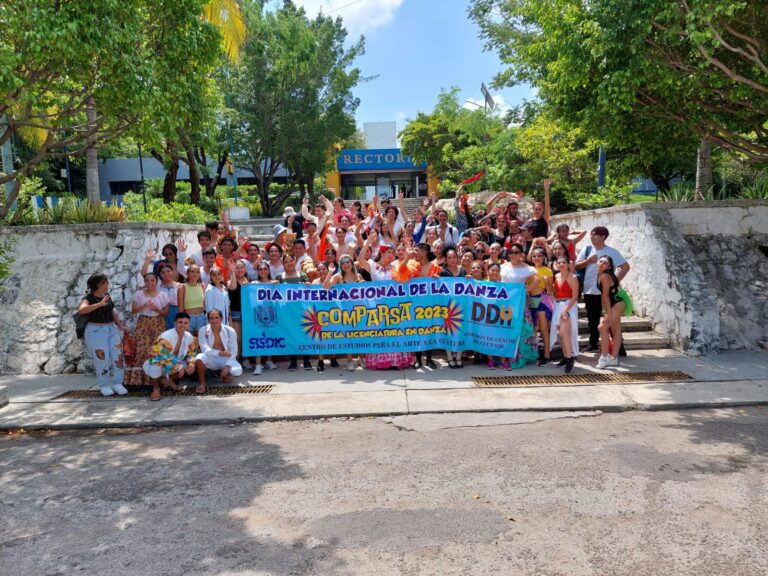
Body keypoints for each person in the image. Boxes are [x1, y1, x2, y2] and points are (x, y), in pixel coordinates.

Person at [575, 226, 630, 354]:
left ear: (603, 237)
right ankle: (593, 343)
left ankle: (619, 347)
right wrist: (588, 261)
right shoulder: (587, 249)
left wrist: (613, 283)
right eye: (591, 234)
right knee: (592, 319)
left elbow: (625, 267)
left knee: (611, 319)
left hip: (607, 292)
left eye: (595, 234)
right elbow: (576, 266)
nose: (591, 236)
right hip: (589, 290)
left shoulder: (612, 252)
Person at [77, 274, 128, 397]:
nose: (107, 284)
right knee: (102, 359)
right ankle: (104, 385)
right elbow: (82, 310)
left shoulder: (107, 296)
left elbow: (111, 311)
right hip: (95, 330)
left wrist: (120, 326)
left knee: (118, 356)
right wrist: (99, 304)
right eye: (105, 282)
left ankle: (118, 383)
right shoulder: (88, 298)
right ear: (98, 285)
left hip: (110, 328)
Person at [125, 271, 169, 387]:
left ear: (156, 282)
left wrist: (155, 309)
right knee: (141, 348)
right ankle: (139, 380)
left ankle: (157, 380)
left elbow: (165, 312)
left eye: (152, 280)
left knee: (157, 349)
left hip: (157, 323)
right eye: (147, 280)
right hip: (143, 323)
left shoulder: (162, 295)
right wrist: (144, 306)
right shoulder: (139, 294)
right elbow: (133, 311)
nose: (149, 283)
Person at [143, 312, 199, 401]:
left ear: (188, 325)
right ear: (175, 323)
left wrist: (191, 363)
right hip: (158, 363)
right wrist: (179, 365)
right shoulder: (166, 336)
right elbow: (159, 354)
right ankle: (156, 388)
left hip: (174, 364)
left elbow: (192, 352)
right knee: (156, 365)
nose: (183, 325)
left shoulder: (188, 336)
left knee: (189, 366)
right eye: (180, 322)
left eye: (186, 323)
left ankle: (167, 380)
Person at [323, 254, 364, 371]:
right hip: (345, 312)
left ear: (352, 263)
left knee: (362, 335)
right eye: (343, 263)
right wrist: (330, 272)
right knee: (349, 337)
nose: (345, 265)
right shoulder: (338, 277)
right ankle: (350, 360)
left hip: (360, 310)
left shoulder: (359, 276)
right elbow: (325, 287)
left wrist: (363, 286)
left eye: (347, 262)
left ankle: (361, 358)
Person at [596, 256, 633, 369]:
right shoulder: (601, 275)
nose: (601, 263)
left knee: (602, 327)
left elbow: (606, 295)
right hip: (613, 303)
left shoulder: (604, 276)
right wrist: (604, 309)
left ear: (609, 266)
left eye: (605, 263)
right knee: (616, 330)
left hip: (617, 303)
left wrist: (608, 313)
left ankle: (605, 356)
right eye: (600, 261)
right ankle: (613, 358)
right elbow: (603, 294)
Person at [277, 253, 313, 371]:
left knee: (304, 334)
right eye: (286, 262)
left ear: (295, 261)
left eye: (291, 261)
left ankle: (306, 360)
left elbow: (310, 292)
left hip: (302, 310)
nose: (289, 264)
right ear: (283, 264)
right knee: (291, 334)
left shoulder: (302, 275)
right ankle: (293, 361)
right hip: (287, 311)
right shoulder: (280, 277)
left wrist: (309, 285)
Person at [195, 309, 243, 392]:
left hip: (226, 359)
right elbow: (204, 349)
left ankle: (224, 375)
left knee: (237, 371)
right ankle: (202, 383)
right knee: (199, 357)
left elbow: (234, 350)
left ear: (222, 318)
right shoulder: (203, 330)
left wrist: (228, 365)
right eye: (211, 318)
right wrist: (219, 353)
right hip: (211, 358)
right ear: (208, 319)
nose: (214, 320)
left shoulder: (230, 330)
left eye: (216, 317)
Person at [550, 256, 579, 373]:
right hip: (558, 305)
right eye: (559, 263)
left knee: (563, 333)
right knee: (560, 334)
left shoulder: (573, 277)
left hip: (569, 306)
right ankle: (565, 356)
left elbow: (575, 297)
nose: (561, 264)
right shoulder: (556, 276)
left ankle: (569, 358)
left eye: (564, 262)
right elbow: (555, 294)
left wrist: (565, 310)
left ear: (568, 264)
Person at [250, 262, 278, 375]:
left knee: (270, 337)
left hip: (271, 314)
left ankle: (268, 360)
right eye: (260, 269)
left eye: (265, 269)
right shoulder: (254, 283)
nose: (263, 271)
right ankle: (258, 364)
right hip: (258, 315)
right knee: (258, 339)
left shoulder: (274, 283)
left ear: (269, 270)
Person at [529, 248, 554, 366]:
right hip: (530, 302)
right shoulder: (528, 270)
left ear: (543, 257)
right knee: (533, 330)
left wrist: (547, 282)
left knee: (543, 329)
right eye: (534, 256)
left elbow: (550, 291)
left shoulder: (548, 271)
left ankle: (547, 355)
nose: (536, 258)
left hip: (541, 301)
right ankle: (533, 354)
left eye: (539, 256)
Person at [177, 264, 207, 334]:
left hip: (201, 318)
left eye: (197, 272)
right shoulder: (182, 287)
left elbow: (205, 303)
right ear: (188, 273)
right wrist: (183, 321)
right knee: (189, 342)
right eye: (192, 271)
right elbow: (180, 307)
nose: (195, 274)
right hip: (188, 318)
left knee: (200, 342)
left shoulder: (202, 286)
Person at [157, 262, 181, 330]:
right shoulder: (157, 287)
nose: (166, 274)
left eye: (168, 271)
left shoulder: (179, 286)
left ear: (172, 272)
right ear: (160, 274)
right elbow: (144, 275)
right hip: (162, 314)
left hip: (177, 313)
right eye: (163, 272)